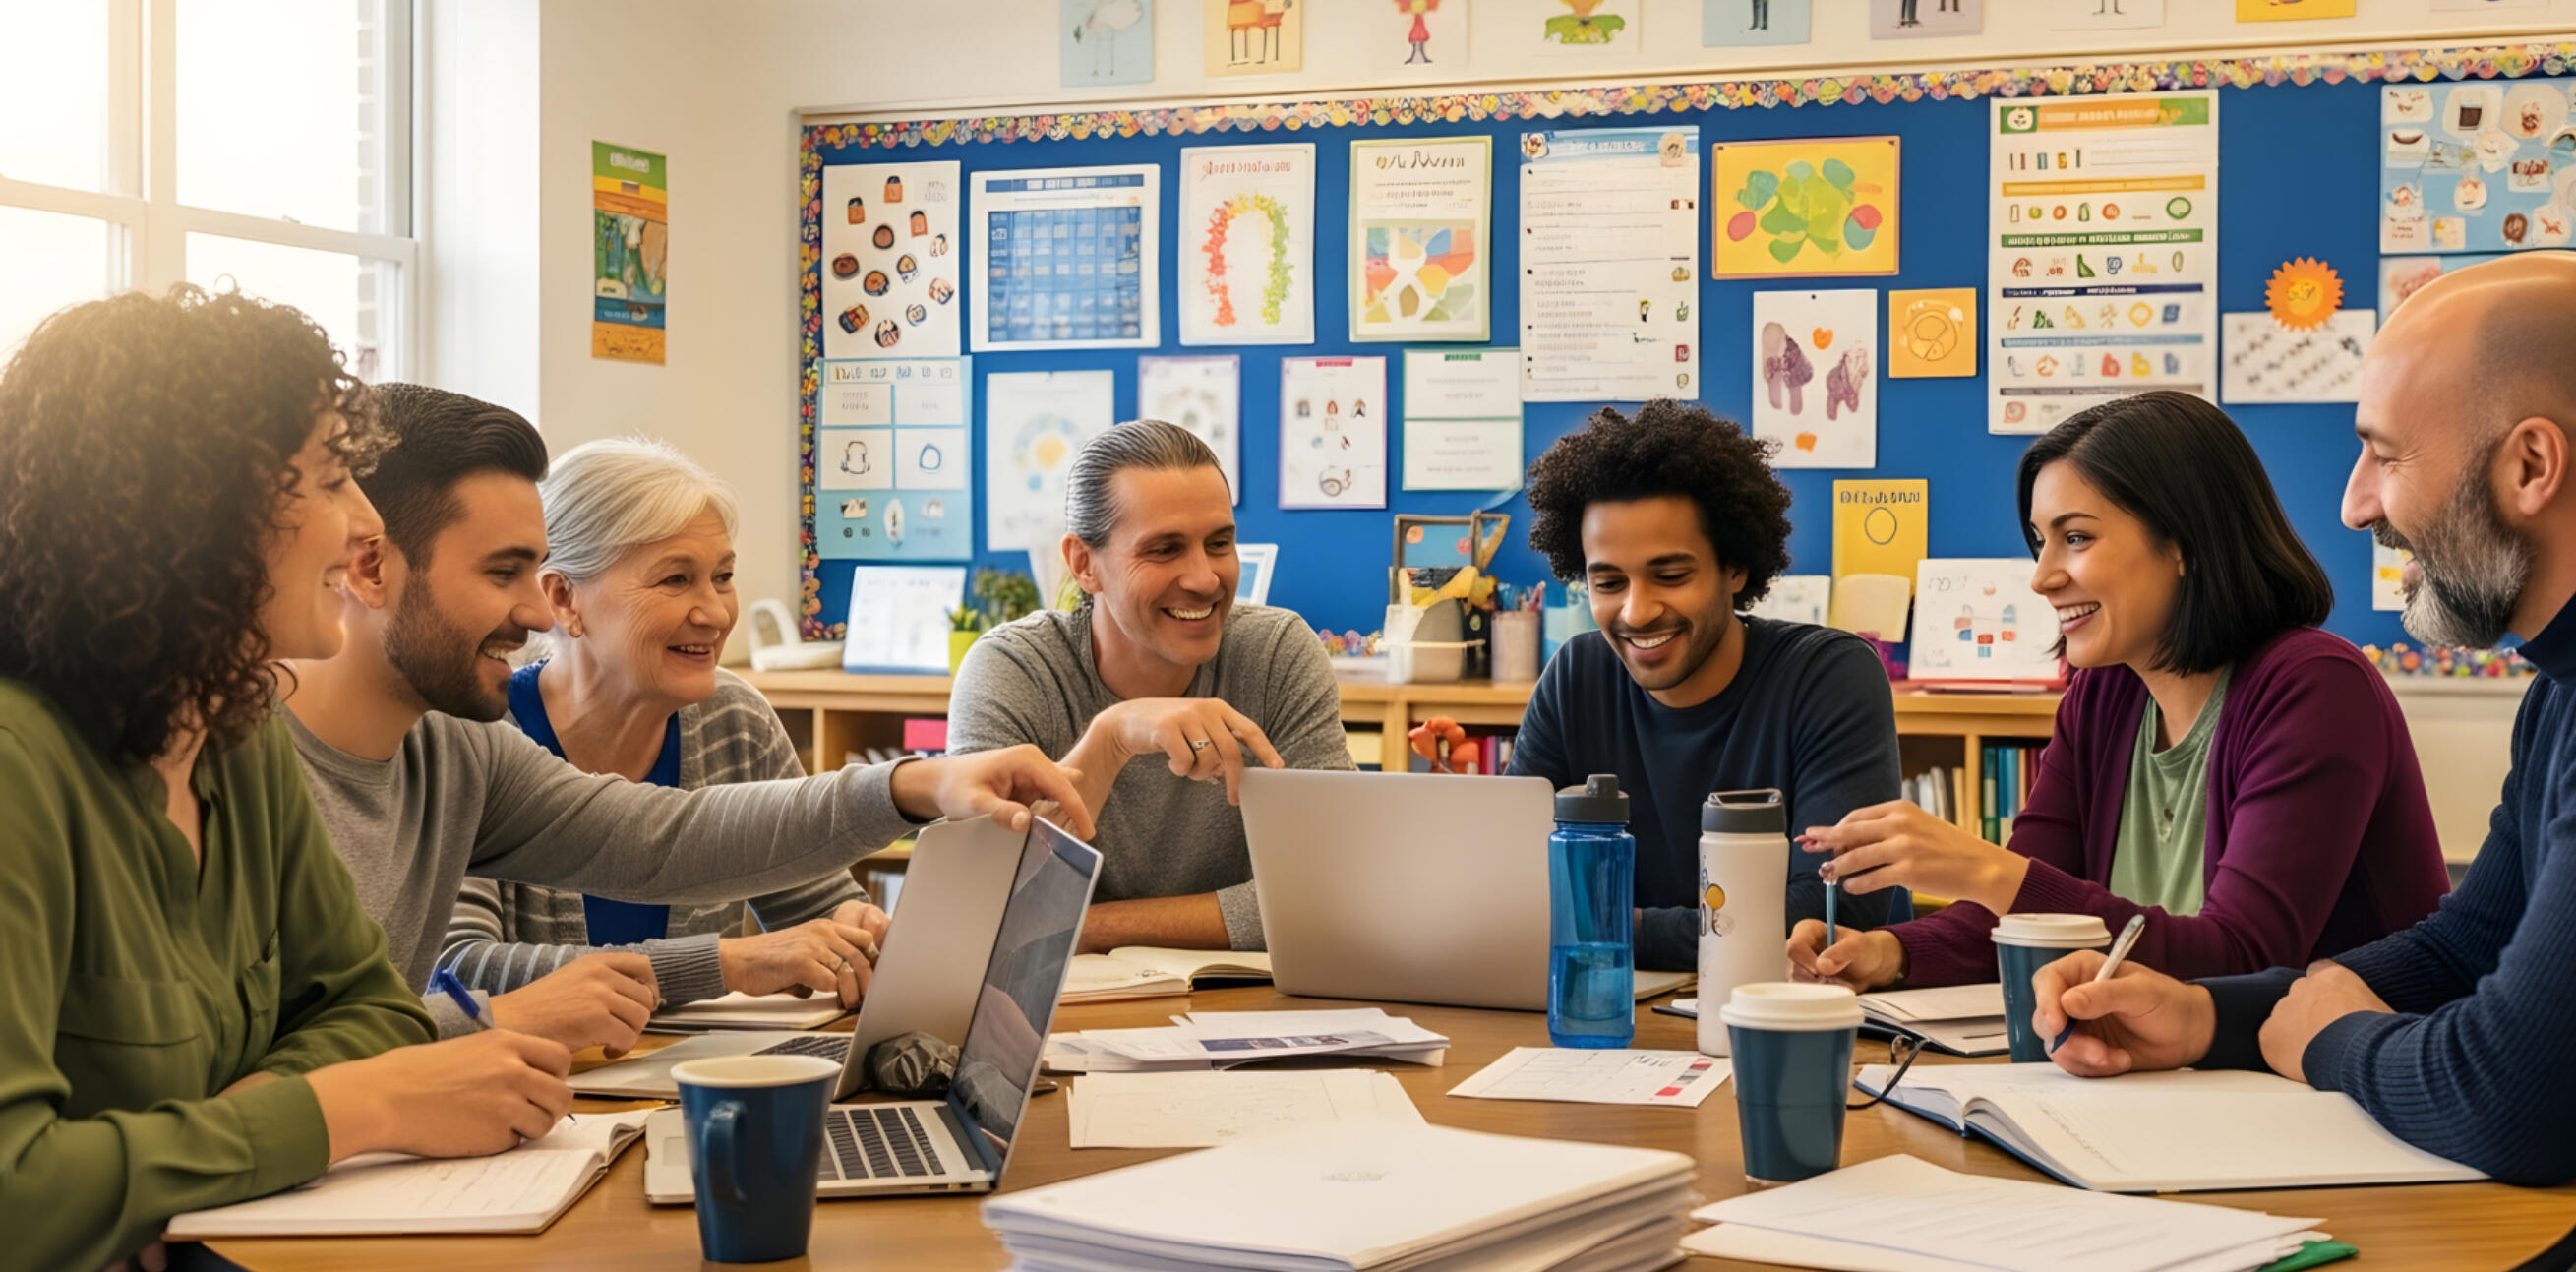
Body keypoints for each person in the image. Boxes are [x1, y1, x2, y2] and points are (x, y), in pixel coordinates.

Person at [2032, 253, 2576, 1266]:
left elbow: (2522, 1100)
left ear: (2531, 466)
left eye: (2385, 454)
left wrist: (2326, 1040)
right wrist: (2205, 1017)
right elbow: (2468, 950)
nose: (2357, 505)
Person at [0, 288, 574, 1270]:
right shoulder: (21, 768)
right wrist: (353, 1105)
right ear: (192, 509)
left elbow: (374, 1007)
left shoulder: (237, 731)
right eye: (332, 482)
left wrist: (220, 1135)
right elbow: (16, 1194)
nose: (362, 525)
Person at [283, 385, 1089, 1052]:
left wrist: (918, 786)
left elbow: (666, 836)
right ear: (367, 567)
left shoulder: (455, 747)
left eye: (723, 576)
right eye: (504, 573)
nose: (531, 611)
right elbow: (299, 1052)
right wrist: (719, 963)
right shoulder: (270, 760)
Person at [1788, 392, 2449, 991]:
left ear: (2184, 540)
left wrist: (1986, 871)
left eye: (2075, 538)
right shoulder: (2102, 698)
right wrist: (1888, 952)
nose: (2043, 578)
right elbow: (2029, 921)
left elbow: (2247, 958)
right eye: (2040, 543)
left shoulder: (2315, 688)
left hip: (2335, 1090)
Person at [1415, 399, 1906, 972]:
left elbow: (1825, 912)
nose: (1637, 610)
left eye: (1671, 577)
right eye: (1608, 582)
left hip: (1785, 1022)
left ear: (1736, 568)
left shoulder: (1828, 677)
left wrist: (1612, 928)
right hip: (1617, 1017)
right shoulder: (1577, 676)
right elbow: (1515, 891)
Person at [440, 438, 889, 1013]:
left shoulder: (736, 721)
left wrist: (852, 931)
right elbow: (457, 971)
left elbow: (817, 908)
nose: (716, 612)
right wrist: (730, 963)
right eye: (676, 580)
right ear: (563, 598)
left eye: (722, 576)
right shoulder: (473, 734)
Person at [948, 420, 1352, 952]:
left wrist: (1084, 928)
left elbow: (1333, 892)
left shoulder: (1276, 654)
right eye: (1164, 549)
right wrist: (1110, 739)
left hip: (1246, 1006)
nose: (1205, 579)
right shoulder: (1013, 671)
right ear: (1083, 564)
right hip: (1058, 1013)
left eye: (1219, 543)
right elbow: (980, 906)